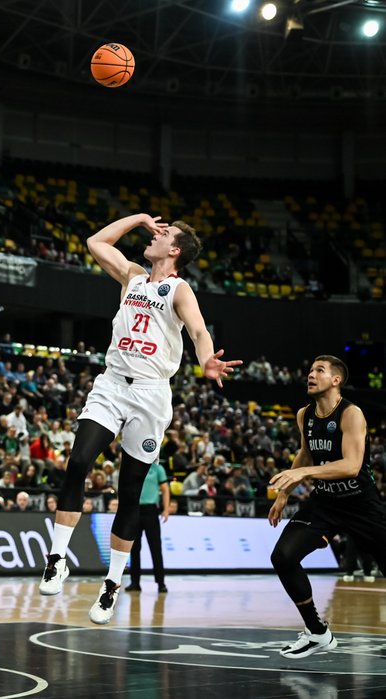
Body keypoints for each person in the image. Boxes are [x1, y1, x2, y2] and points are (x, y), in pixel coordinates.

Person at [38, 213, 240, 625]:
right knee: (78, 463)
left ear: (176, 251)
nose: (156, 234)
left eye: (164, 233)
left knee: (129, 492)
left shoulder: (179, 289)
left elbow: (199, 332)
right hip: (112, 384)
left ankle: (112, 584)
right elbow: (95, 241)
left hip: (150, 394)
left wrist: (206, 362)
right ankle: (57, 558)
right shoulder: (132, 276)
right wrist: (138, 220)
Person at [268, 355, 386, 658]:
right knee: (283, 556)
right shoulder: (304, 414)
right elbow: (306, 454)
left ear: (336, 380)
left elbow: (350, 465)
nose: (311, 375)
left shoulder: (351, 414)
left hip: (362, 504)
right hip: (325, 504)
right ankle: (317, 633)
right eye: (309, 370)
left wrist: (302, 474)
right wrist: (284, 495)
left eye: (319, 370)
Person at [125, 459, 170, 593]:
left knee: (155, 548)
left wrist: (166, 509)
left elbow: (165, 489)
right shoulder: (133, 466)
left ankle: (161, 583)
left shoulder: (158, 469)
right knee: (134, 548)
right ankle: (135, 582)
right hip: (134, 510)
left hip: (151, 511)